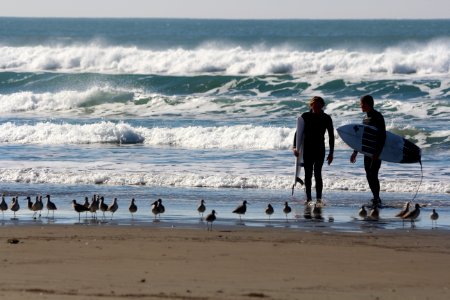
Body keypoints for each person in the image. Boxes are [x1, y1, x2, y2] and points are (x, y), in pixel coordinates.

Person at [293, 96, 334, 203]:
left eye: (319, 105)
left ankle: (319, 199)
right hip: (308, 149)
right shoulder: (305, 116)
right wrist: (294, 147)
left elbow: (331, 136)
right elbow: (298, 133)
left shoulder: (326, 118)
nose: (316, 107)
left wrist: (331, 153)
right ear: (311, 105)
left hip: (320, 149)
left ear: (322, 106)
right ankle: (308, 198)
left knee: (318, 174)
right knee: (308, 174)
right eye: (314, 105)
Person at [350, 95, 386, 207]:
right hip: (367, 151)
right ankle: (375, 197)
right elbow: (361, 137)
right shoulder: (365, 118)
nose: (360, 106)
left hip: (376, 151)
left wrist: (378, 152)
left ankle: (377, 198)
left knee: (373, 174)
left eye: (362, 103)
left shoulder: (378, 117)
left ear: (367, 104)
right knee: (368, 174)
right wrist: (355, 152)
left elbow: (383, 136)